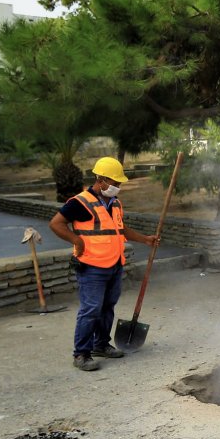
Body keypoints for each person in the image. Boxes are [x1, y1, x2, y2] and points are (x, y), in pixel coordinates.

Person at [48, 157, 159, 371]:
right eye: (114, 182)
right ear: (100, 179)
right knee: (91, 309)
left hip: (115, 264)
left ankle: (101, 345)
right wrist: (76, 240)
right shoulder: (79, 203)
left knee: (107, 308)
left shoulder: (115, 203)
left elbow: (120, 229)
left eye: (119, 183)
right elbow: (56, 224)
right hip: (92, 267)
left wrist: (145, 238)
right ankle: (81, 353)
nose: (118, 187)